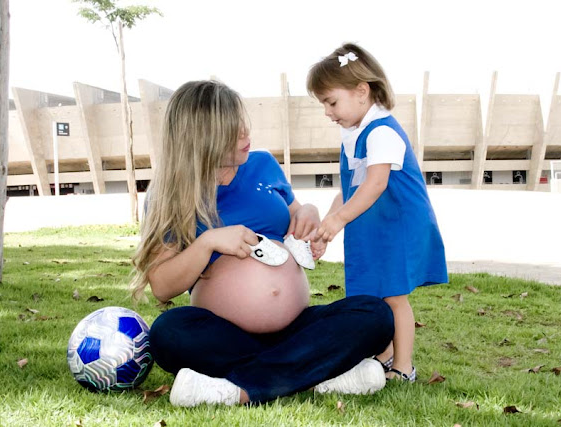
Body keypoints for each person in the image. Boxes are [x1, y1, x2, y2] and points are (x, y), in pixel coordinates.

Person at [129, 80, 394, 406]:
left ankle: (241, 388)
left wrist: (308, 212)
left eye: (243, 123)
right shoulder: (169, 195)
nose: (246, 133)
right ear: (202, 138)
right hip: (222, 334)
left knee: (375, 314)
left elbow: (297, 213)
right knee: (168, 333)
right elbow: (162, 286)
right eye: (233, 130)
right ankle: (317, 373)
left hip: (296, 325)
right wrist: (208, 243)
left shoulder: (263, 165)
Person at [306, 43, 448, 382]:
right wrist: (329, 223)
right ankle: (383, 355)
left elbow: (376, 184)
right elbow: (351, 187)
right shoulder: (352, 134)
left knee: (393, 295)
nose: (328, 112)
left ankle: (404, 367)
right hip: (374, 223)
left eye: (331, 102)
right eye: (323, 104)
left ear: (361, 91)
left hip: (398, 224)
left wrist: (340, 220)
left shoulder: (381, 131)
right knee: (370, 292)